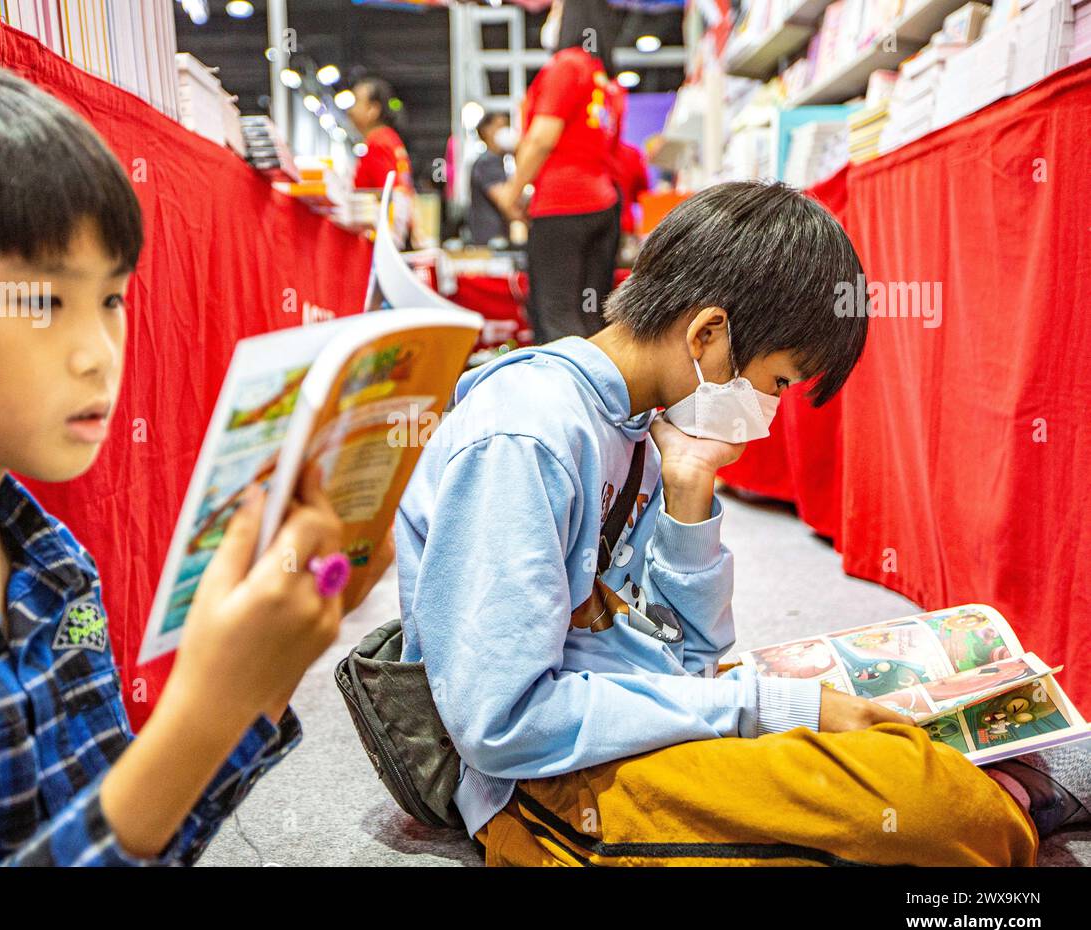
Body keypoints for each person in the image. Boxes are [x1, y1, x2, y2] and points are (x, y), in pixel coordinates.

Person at [0, 36, 394, 866]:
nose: (99, 351)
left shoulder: (48, 560)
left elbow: (119, 828)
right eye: (44, 299)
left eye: (110, 297)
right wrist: (207, 710)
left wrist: (268, 673)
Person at [394, 180, 1090, 866]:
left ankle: (1013, 779)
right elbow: (504, 725)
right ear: (708, 334)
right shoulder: (527, 434)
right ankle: (1014, 794)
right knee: (935, 812)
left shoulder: (634, 427)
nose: (773, 409)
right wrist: (760, 708)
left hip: (622, 714)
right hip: (542, 779)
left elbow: (685, 656)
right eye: (779, 382)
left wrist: (690, 488)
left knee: (861, 707)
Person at [492, 0, 624, 344]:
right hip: (603, 204)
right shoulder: (606, 81)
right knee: (590, 315)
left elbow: (541, 138)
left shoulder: (567, 65)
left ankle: (565, 395)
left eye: (555, 10)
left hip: (563, 205)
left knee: (556, 315)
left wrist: (513, 191)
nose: (549, 18)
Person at [468, 111, 515, 246]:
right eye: (501, 126)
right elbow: (505, 201)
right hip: (490, 240)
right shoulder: (488, 162)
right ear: (486, 131)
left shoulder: (496, 161)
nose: (506, 132)